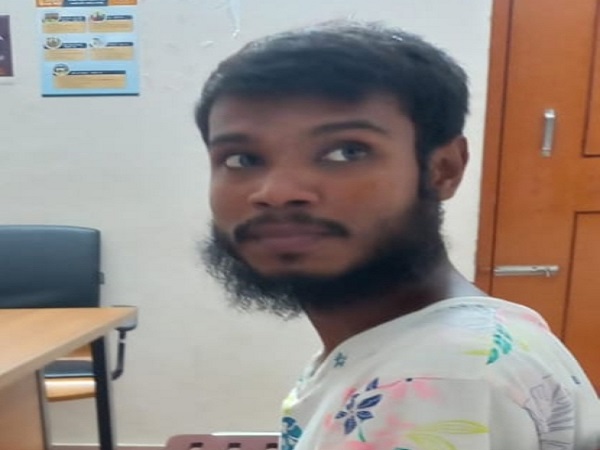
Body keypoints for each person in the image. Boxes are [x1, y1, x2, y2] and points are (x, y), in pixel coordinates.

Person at [195, 21, 600, 450]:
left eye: (346, 152)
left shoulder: (434, 382)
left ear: (443, 169)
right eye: (241, 159)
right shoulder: (454, 339)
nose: (276, 192)